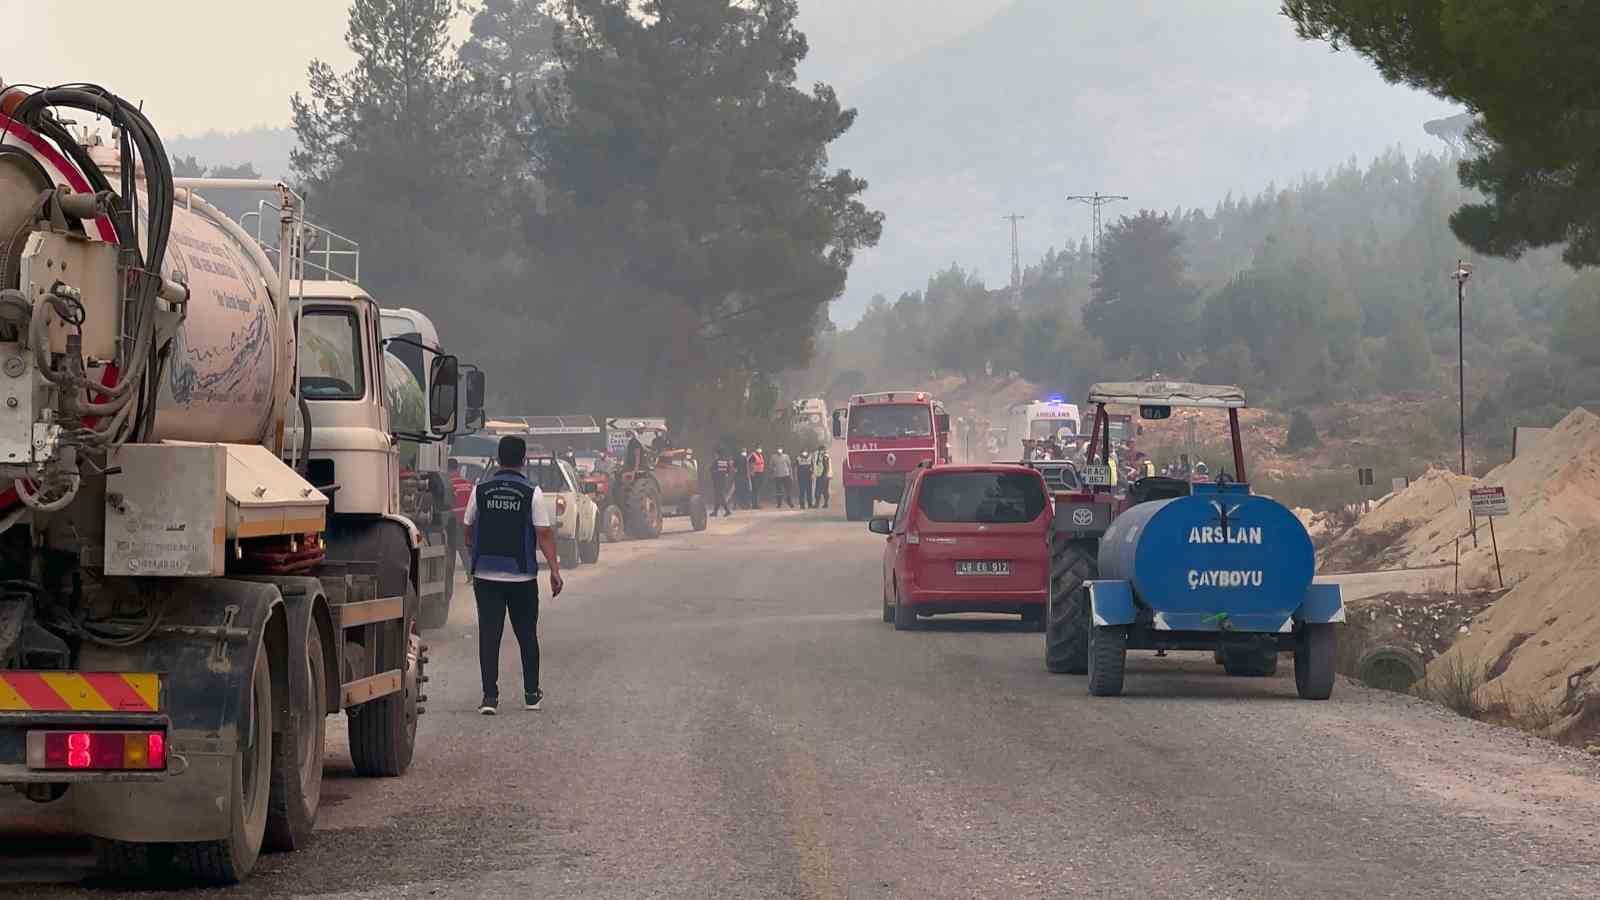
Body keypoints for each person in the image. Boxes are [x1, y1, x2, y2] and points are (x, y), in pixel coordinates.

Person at [463, 435, 563, 715]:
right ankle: (531, 694)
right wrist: (554, 570)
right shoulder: (532, 492)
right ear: (524, 460)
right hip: (522, 578)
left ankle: (489, 698)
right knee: (527, 635)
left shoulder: (480, 490)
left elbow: (468, 526)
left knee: (489, 635)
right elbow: (543, 533)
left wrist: (474, 550)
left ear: (497, 459)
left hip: (486, 575)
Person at [712, 448, 735, 517]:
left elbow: (711, 470)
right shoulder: (726, 461)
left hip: (717, 481)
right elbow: (728, 470)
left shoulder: (716, 462)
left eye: (715, 454)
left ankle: (727, 510)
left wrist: (715, 475)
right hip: (723, 480)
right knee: (718, 496)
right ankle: (715, 511)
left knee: (720, 496)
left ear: (717, 454)